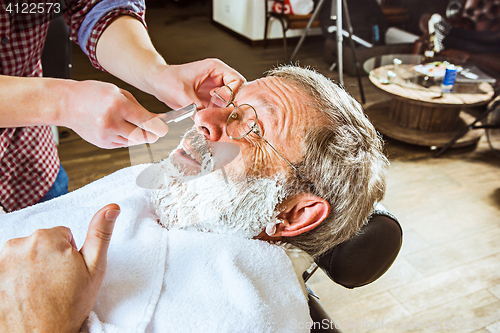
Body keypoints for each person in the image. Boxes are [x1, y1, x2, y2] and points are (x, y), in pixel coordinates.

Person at [0, 65, 389, 332]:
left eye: (251, 126)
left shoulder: (243, 319)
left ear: (293, 213)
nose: (205, 118)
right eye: (229, 105)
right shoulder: (179, 191)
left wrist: (38, 322)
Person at [0, 0, 245, 212]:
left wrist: (156, 73)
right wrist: (62, 102)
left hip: (30, 163)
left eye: (251, 127)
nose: (205, 120)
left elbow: (94, 6)